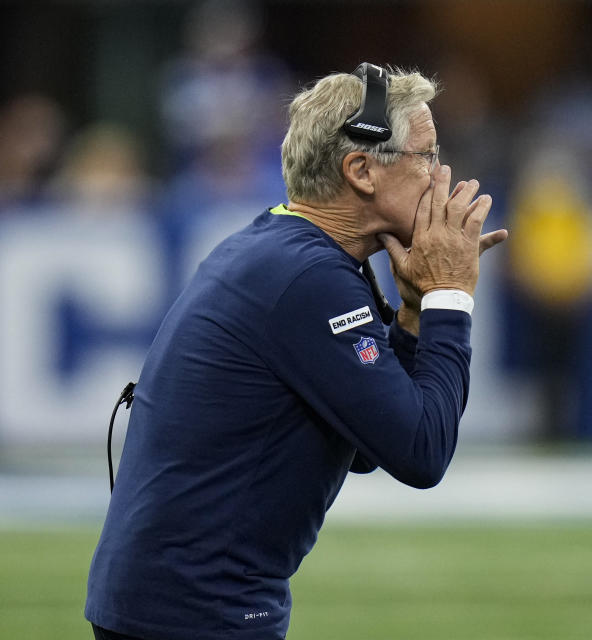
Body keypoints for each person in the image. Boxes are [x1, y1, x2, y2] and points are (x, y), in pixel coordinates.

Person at [85, 64, 507, 640]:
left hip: (174, 603)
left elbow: (367, 441)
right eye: (427, 157)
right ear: (361, 169)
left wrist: (410, 315)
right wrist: (449, 296)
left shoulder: (287, 251)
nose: (442, 177)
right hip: (195, 613)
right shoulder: (309, 277)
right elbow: (421, 453)